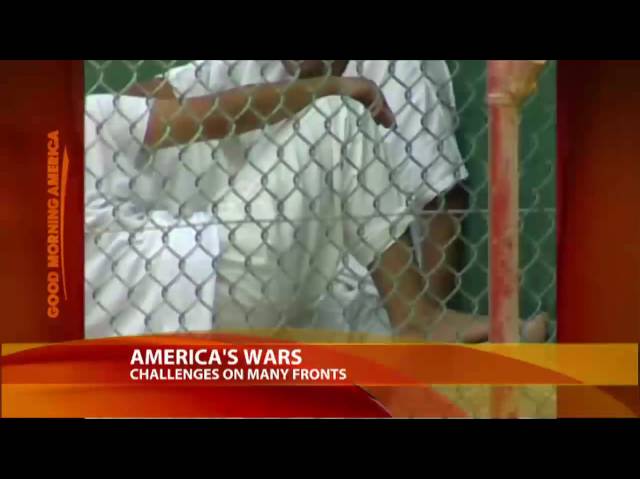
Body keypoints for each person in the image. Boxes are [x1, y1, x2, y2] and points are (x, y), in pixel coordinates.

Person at [124, 60, 549, 342]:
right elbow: (135, 104)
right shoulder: (241, 65)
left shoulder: (398, 68)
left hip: (361, 294)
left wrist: (428, 314)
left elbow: (439, 202)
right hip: (255, 282)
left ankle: (425, 336)